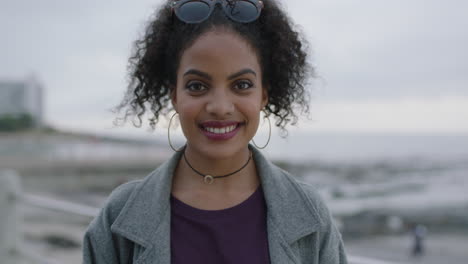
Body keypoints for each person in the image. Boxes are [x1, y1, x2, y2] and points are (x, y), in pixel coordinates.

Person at [82, 0, 347, 263]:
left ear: (263, 95)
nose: (220, 107)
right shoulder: (119, 215)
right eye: (197, 86)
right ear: (174, 95)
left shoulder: (309, 212)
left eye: (242, 85)